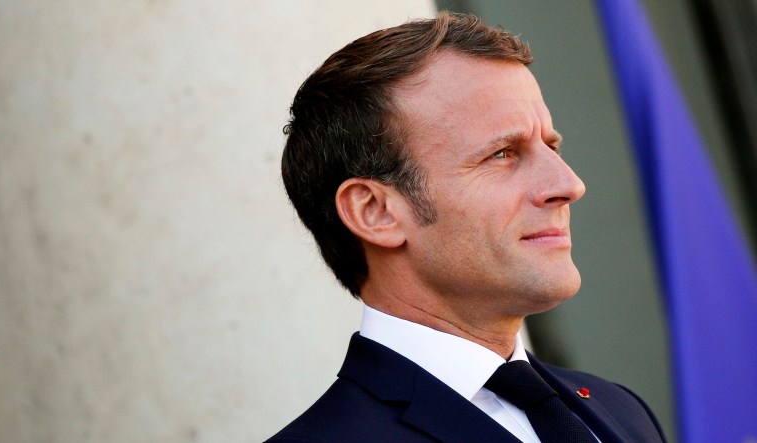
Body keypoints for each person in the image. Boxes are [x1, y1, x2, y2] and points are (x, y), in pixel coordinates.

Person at [269, 11, 667, 443]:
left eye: (551, 145)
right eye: (502, 154)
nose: (569, 185)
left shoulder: (620, 410)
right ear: (375, 212)